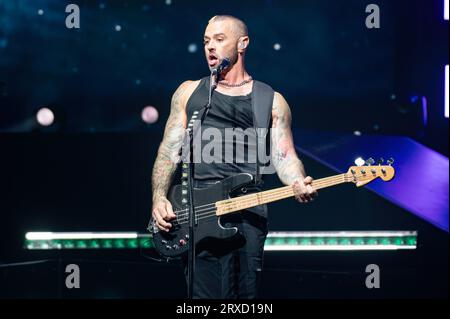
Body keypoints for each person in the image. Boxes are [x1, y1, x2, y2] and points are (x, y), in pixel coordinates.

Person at [151, 15, 317, 299]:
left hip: (246, 216)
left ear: (243, 44)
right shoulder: (189, 92)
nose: (210, 47)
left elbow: (285, 157)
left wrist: (298, 181)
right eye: (206, 41)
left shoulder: (271, 100)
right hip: (195, 214)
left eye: (218, 39)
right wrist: (159, 197)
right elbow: (169, 150)